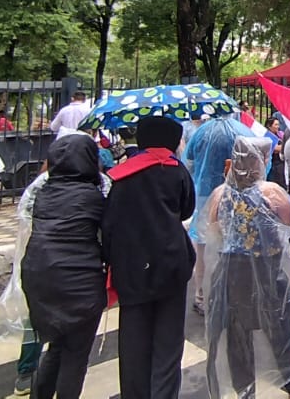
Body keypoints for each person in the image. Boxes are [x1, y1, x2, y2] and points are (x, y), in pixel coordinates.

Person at [102, 116, 195, 398]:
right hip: (171, 266)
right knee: (168, 344)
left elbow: (109, 224)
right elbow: (187, 209)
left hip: (131, 269)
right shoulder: (176, 170)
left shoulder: (120, 175)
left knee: (133, 342)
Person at [203, 136, 290, 398]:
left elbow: (214, 232)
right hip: (267, 271)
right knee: (282, 330)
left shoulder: (220, 194)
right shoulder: (271, 192)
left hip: (231, 274)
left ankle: (244, 390)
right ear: (259, 161)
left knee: (238, 336)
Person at [21, 135, 109, 399]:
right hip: (79, 283)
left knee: (57, 346)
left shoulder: (41, 193)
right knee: (75, 354)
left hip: (39, 278)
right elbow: (110, 239)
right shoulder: (95, 196)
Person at [186, 116, 255, 316]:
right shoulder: (241, 131)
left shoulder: (201, 132)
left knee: (203, 247)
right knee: (233, 246)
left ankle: (202, 296)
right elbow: (258, 161)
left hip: (204, 195)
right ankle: (232, 295)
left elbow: (188, 163)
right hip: (237, 195)